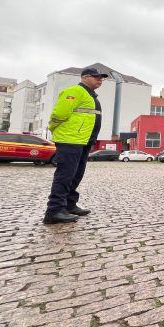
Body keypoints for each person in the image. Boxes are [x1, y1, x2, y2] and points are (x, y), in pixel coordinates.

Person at [43, 67, 108, 224]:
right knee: (65, 175)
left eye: (101, 78)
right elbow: (59, 114)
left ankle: (69, 205)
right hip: (70, 140)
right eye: (96, 77)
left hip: (83, 141)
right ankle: (54, 211)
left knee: (76, 175)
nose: (100, 80)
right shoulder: (75, 91)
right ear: (85, 77)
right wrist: (54, 128)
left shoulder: (91, 96)